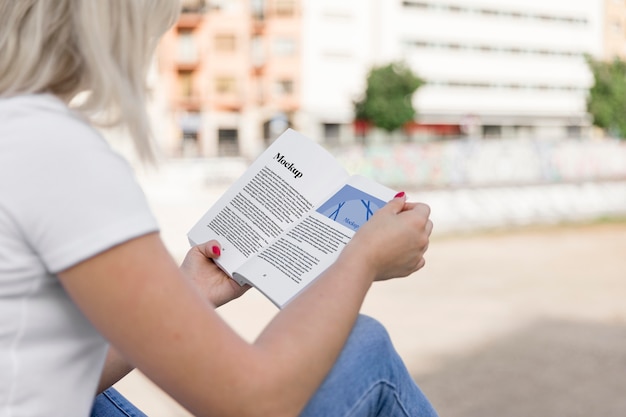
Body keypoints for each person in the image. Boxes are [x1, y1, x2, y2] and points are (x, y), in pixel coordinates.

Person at [0, 1, 437, 416]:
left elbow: (41, 373)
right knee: (366, 346)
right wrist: (361, 257)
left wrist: (191, 289)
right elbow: (258, 402)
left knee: (71, 369)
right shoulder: (51, 148)